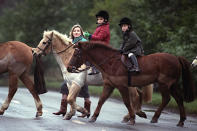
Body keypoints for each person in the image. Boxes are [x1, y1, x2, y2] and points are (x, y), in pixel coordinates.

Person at [53, 24, 91, 118]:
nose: (76, 32)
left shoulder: (84, 41)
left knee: (84, 89)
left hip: (82, 68)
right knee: (65, 87)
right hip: (72, 69)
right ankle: (63, 109)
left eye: (78, 31)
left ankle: (87, 110)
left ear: (81, 33)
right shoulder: (70, 42)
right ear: (72, 33)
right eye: (75, 31)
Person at [84, 10, 110, 75]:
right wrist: (90, 37)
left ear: (105, 20)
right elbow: (95, 37)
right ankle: (88, 66)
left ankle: (96, 69)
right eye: (98, 19)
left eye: (101, 19)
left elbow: (99, 38)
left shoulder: (105, 28)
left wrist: (89, 35)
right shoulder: (100, 27)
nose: (99, 20)